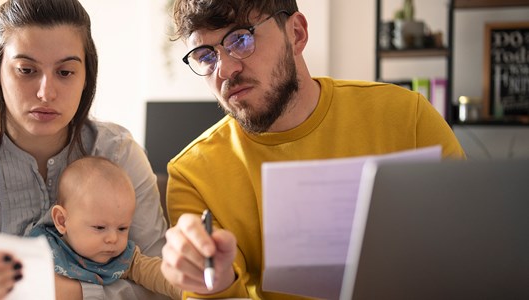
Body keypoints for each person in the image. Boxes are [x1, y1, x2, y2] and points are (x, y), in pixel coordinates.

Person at [159, 0, 466, 299]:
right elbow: (214, 291)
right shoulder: (194, 174)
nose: (224, 70)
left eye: (241, 39)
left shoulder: (406, 117)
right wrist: (212, 281)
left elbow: (470, 250)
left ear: (296, 34)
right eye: (205, 56)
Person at [0, 0, 168, 299]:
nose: (46, 92)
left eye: (65, 72)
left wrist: (65, 293)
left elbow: (159, 283)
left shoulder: (119, 152)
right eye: (26, 70)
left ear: (86, 78)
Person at [26, 156, 182, 300]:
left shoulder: (125, 259)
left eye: (122, 228)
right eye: (100, 227)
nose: (113, 238)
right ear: (62, 221)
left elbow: (158, 274)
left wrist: (189, 288)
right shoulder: (41, 249)